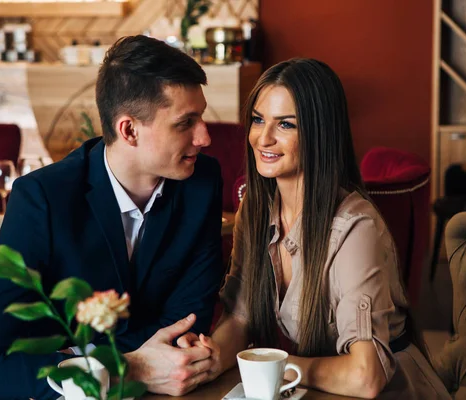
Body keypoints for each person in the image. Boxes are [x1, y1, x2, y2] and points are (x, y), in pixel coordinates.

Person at [0, 35, 223, 400]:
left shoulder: (201, 184)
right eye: (186, 122)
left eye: (202, 116)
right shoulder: (42, 200)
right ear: (128, 129)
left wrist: (75, 356)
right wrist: (132, 367)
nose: (205, 137)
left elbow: (187, 329)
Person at [178, 58, 451, 399]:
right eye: (258, 119)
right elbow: (241, 315)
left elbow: (367, 377)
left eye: (286, 125)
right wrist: (212, 357)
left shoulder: (354, 227)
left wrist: (277, 365)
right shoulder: (256, 208)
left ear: (321, 132)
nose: (263, 138)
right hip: (318, 389)